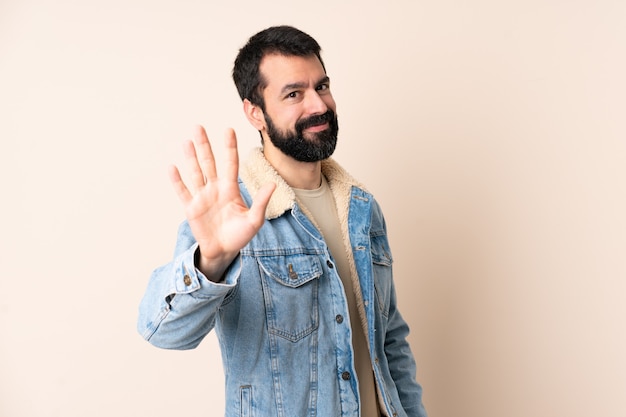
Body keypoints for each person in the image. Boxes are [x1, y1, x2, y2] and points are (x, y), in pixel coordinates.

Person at [137, 25, 427, 417]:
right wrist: (213, 260)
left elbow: (389, 341)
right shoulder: (234, 214)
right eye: (294, 94)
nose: (319, 105)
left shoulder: (362, 208)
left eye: (321, 87)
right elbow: (164, 331)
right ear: (255, 112)